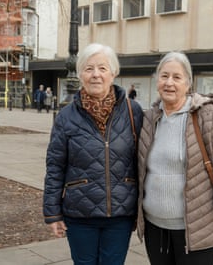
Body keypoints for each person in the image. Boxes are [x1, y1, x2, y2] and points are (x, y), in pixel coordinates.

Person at [136, 52, 213, 265]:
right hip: (155, 227)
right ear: (157, 80)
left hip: (196, 228)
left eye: (177, 77)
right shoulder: (149, 118)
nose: (169, 83)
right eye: (164, 76)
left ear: (188, 83)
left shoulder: (207, 115)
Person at [43, 43, 143, 265]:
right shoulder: (66, 116)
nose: (96, 75)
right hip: (80, 213)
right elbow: (55, 166)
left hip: (120, 213)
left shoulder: (133, 111)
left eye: (102, 68)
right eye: (89, 69)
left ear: (113, 73)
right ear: (80, 74)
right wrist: (52, 213)